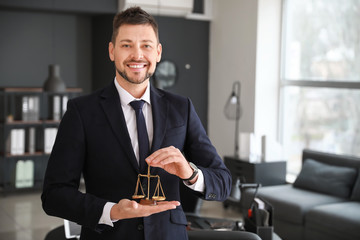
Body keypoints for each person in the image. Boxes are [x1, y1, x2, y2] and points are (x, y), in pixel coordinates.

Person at [41, 6, 231, 240]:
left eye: (146, 46)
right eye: (127, 45)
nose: (137, 55)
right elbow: (54, 195)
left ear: (158, 52)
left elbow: (223, 183)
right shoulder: (81, 111)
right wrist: (111, 211)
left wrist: (190, 173)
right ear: (112, 51)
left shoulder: (182, 108)